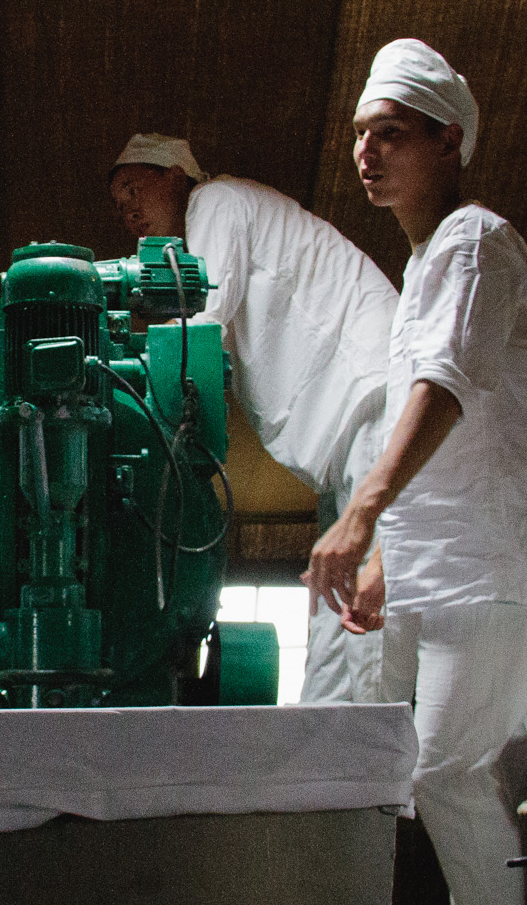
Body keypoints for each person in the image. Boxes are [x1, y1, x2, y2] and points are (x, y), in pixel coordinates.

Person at [305, 39, 527, 905]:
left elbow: (447, 389)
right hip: (449, 561)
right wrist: (387, 555)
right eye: (362, 137)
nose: (370, 154)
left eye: (394, 134)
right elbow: (430, 408)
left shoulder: (472, 241)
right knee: (466, 780)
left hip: (499, 565)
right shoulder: (426, 263)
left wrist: (362, 512)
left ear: (448, 141)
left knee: (452, 771)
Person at [108, 134, 400, 706]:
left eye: (133, 189)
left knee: (366, 634)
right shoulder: (217, 225)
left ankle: (362, 779)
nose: (130, 212)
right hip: (350, 439)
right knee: (335, 621)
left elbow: (205, 326)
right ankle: (326, 777)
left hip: (371, 410)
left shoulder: (216, 201)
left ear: (175, 175)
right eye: (120, 206)